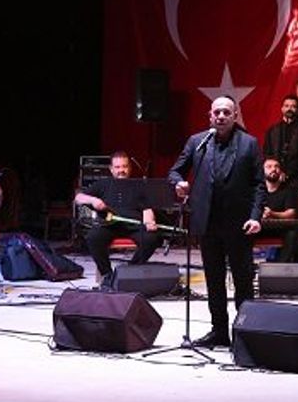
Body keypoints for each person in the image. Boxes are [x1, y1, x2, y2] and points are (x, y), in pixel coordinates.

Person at [168, 96, 266, 349]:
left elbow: (259, 185)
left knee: (243, 281)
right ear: (210, 115)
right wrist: (178, 182)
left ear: (235, 115)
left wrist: (255, 217)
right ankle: (219, 331)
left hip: (239, 224)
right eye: (217, 112)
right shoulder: (198, 142)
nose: (221, 116)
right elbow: (175, 171)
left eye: (226, 112)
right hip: (208, 223)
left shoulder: (249, 143)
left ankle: (245, 333)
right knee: (214, 280)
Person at [73, 152, 159, 282]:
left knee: (151, 239)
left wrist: (149, 221)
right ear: (111, 169)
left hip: (134, 226)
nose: (121, 170)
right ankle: (108, 275)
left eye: (124, 166)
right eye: (117, 167)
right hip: (108, 225)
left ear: (129, 168)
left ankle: (129, 272)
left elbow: (147, 209)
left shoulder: (139, 185)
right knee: (93, 238)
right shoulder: (103, 184)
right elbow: (78, 198)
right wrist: (93, 200)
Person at [264, 94, 298, 193]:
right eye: (287, 106)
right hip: (274, 177)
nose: (289, 109)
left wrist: (287, 173)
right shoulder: (273, 130)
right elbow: (267, 153)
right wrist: (276, 171)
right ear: (282, 109)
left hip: (295, 178)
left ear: (297, 110)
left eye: (293, 106)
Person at [259, 157, 298, 262]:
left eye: (277, 166)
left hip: (279, 228)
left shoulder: (288, 191)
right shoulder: (257, 190)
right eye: (269, 167)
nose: (273, 169)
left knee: (293, 233)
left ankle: (280, 265)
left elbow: (291, 213)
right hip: (259, 227)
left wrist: (272, 213)